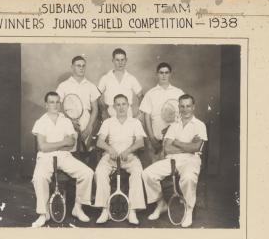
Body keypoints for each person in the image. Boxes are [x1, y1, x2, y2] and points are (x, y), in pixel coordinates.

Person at [142, 94, 207, 228]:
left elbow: (196, 147)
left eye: (188, 106)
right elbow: (167, 148)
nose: (185, 109)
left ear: (193, 107)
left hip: (191, 160)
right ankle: (161, 204)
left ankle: (189, 209)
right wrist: (187, 146)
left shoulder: (200, 125)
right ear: (179, 107)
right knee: (147, 173)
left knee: (188, 178)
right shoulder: (174, 125)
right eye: (182, 106)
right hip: (172, 159)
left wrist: (176, 142)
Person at [31, 91, 94, 227]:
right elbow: (42, 147)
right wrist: (62, 143)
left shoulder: (66, 121)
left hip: (65, 156)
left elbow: (72, 142)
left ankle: (78, 208)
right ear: (46, 105)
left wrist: (55, 145)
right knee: (39, 177)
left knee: (87, 173)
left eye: (57, 102)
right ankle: (43, 213)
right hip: (45, 158)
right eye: (51, 102)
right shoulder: (40, 122)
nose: (55, 105)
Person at [94, 94, 146, 225]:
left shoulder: (135, 122)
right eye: (118, 104)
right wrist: (110, 150)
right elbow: (99, 142)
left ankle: (132, 211)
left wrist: (127, 151)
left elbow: (140, 143)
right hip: (110, 157)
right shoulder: (108, 122)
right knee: (99, 172)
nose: (121, 107)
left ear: (128, 106)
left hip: (129, 157)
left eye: (124, 104)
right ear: (113, 107)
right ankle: (105, 210)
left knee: (138, 172)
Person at [139, 62, 184, 164]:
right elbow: (146, 117)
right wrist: (152, 139)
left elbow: (184, 114)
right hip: (157, 139)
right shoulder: (150, 93)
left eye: (166, 73)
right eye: (161, 73)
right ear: (157, 74)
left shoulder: (179, 92)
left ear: (170, 74)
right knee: (156, 169)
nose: (164, 75)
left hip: (174, 139)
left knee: (173, 167)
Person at [56, 56, 100, 152]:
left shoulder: (91, 86)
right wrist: (70, 121)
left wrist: (89, 127)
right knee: (69, 151)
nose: (81, 68)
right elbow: (58, 106)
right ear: (72, 67)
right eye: (78, 65)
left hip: (86, 121)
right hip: (67, 120)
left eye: (83, 66)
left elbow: (95, 109)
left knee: (85, 152)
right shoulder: (63, 85)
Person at [98, 48, 143, 119]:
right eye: (117, 60)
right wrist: (104, 111)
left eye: (122, 60)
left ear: (126, 60)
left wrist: (139, 113)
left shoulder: (131, 78)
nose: (120, 63)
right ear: (113, 60)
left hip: (127, 114)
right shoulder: (105, 78)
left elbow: (141, 96)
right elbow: (96, 97)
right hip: (110, 114)